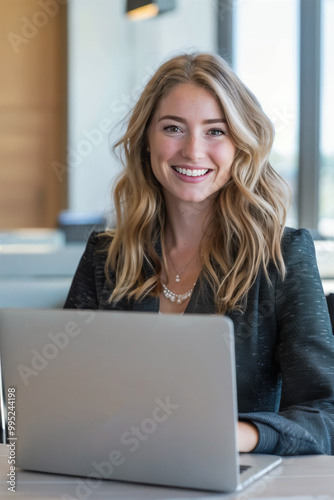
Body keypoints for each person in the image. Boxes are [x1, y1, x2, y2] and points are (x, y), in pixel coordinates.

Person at [64, 52, 334, 456]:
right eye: (173, 128)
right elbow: (61, 392)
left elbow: (325, 414)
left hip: (235, 481)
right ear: (147, 141)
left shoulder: (283, 257)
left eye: (215, 131)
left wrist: (237, 436)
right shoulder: (106, 257)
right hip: (117, 477)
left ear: (241, 144)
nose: (192, 150)